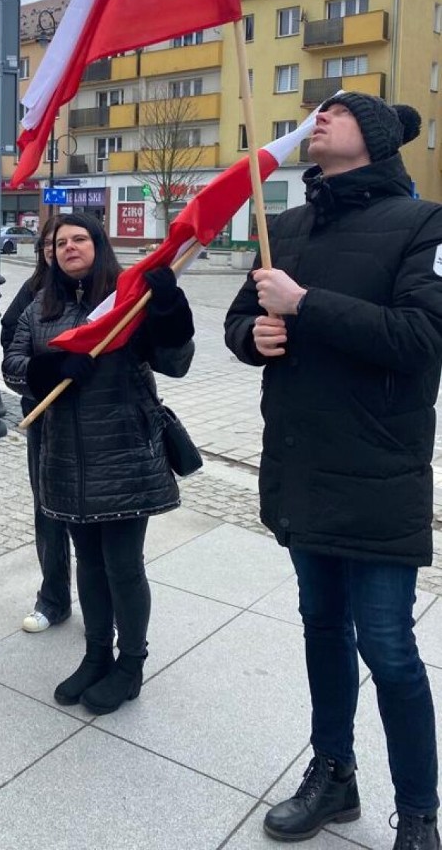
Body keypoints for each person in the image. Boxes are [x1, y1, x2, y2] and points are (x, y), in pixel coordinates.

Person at [224, 92, 441, 850]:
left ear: (375, 139)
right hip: (301, 463)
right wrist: (256, 333)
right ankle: (334, 775)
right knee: (321, 628)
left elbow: (422, 337)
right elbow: (238, 324)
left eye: (337, 112)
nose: (319, 118)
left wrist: (305, 304)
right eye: (317, 111)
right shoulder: (282, 225)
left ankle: (419, 812)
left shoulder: (425, 223)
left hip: (379, 469)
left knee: (387, 646)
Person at [3, 212, 195, 715]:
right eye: (60, 241)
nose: (69, 247)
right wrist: (50, 368)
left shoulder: (130, 302)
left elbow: (176, 361)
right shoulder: (39, 306)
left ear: (98, 244)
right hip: (65, 455)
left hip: (123, 451)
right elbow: (13, 365)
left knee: (123, 566)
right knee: (88, 562)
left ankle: (130, 665)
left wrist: (171, 308)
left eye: (79, 238)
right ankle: (95, 655)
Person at [1, 216, 72, 633]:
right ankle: (54, 596)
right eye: (48, 243)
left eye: (64, 241)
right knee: (47, 507)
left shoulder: (100, 287)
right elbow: (9, 337)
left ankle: (109, 604)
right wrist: (41, 365)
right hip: (43, 411)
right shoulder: (33, 292)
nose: (54, 248)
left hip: (91, 416)